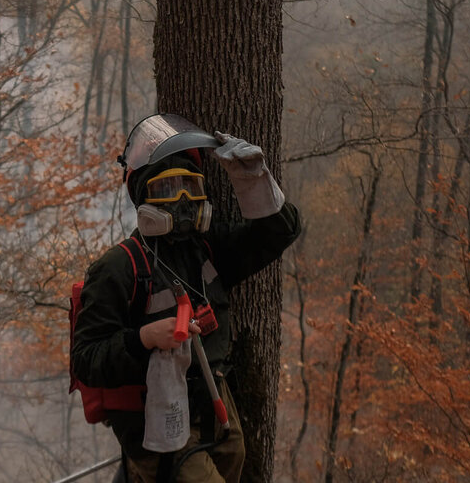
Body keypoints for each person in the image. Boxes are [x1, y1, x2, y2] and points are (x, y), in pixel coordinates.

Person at [71, 114, 302, 483]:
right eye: (168, 189)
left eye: (189, 187)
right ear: (145, 196)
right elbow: (85, 360)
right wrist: (144, 339)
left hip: (216, 408)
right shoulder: (119, 267)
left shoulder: (208, 249)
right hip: (156, 423)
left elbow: (280, 232)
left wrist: (253, 180)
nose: (181, 200)